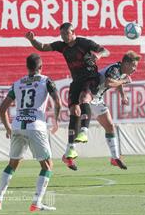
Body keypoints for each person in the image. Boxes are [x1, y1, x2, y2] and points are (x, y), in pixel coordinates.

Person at [25, 22, 109, 170]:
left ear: (73, 32)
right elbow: (43, 47)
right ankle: (70, 151)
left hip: (91, 79)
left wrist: (98, 55)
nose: (63, 37)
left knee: (84, 99)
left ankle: (84, 131)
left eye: (66, 34)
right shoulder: (62, 46)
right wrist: (32, 40)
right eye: (62, 34)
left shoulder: (84, 43)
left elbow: (105, 50)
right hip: (77, 81)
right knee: (73, 112)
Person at [0, 53, 61, 211]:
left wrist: (8, 128)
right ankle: (37, 202)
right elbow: (58, 102)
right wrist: (56, 122)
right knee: (47, 166)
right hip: (35, 126)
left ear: (27, 67)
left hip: (17, 125)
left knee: (12, 164)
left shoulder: (17, 83)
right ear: (41, 67)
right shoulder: (46, 80)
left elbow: (2, 109)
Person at [84, 50, 141, 170]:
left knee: (110, 126)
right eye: (133, 66)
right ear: (126, 63)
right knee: (79, 126)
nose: (135, 69)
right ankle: (68, 153)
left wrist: (123, 95)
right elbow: (109, 82)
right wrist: (125, 81)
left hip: (97, 98)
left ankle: (115, 158)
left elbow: (118, 81)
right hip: (87, 94)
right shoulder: (115, 69)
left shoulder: (121, 71)